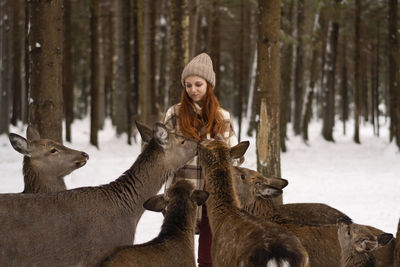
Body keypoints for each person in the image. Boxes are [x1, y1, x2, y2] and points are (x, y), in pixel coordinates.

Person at [163, 53, 240, 267]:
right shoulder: (174, 114)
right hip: (183, 190)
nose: (193, 90)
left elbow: (236, 155)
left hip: (211, 192)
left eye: (198, 84)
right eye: (188, 85)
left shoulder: (222, 116)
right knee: (179, 247)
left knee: (208, 255)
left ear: (209, 85)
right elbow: (160, 150)